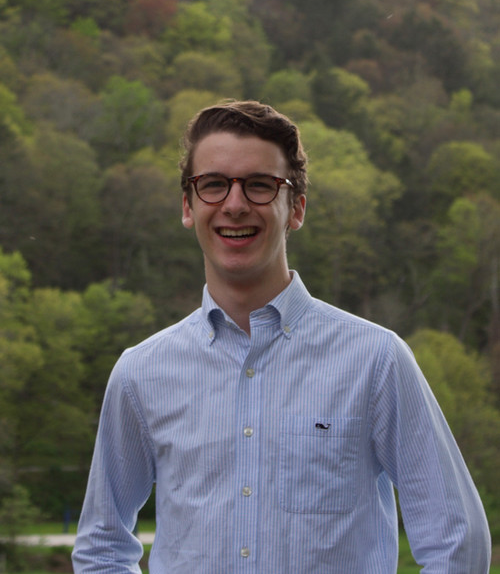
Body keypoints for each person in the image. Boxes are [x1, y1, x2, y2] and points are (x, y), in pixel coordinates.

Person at [72, 100, 491, 573]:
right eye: (213, 184)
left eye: (259, 185)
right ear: (188, 207)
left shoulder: (375, 360)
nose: (234, 204)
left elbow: (456, 538)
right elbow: (102, 546)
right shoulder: (140, 373)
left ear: (296, 209)